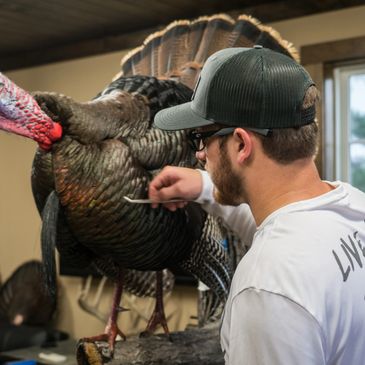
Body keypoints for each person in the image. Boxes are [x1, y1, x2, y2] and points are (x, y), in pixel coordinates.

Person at [148, 45, 365, 364]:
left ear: (241, 144)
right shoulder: (353, 206)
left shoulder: (267, 288)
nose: (199, 154)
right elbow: (285, 231)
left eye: (202, 139)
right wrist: (205, 186)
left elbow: (283, 258)